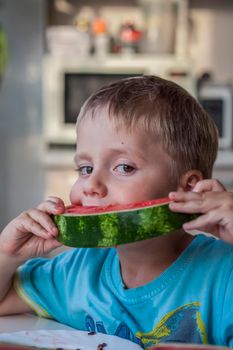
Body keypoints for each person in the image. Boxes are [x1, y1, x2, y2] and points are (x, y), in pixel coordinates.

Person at [0, 75, 233, 349]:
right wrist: (7, 255)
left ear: (189, 188)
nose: (92, 186)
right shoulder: (78, 272)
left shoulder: (223, 276)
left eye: (124, 167)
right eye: (85, 169)